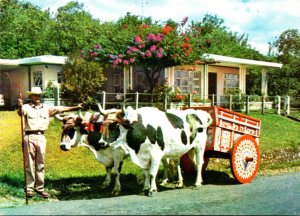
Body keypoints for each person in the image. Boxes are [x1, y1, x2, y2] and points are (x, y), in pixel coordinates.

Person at [17, 87, 83, 198]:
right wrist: (19, 105)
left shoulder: (46, 108)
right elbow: (20, 113)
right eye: (34, 95)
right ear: (31, 96)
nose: (37, 97)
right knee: (29, 163)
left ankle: (39, 188)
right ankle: (29, 188)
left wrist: (76, 107)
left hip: (41, 137)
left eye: (38, 95)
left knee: (40, 163)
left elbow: (61, 108)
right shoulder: (26, 107)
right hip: (29, 136)